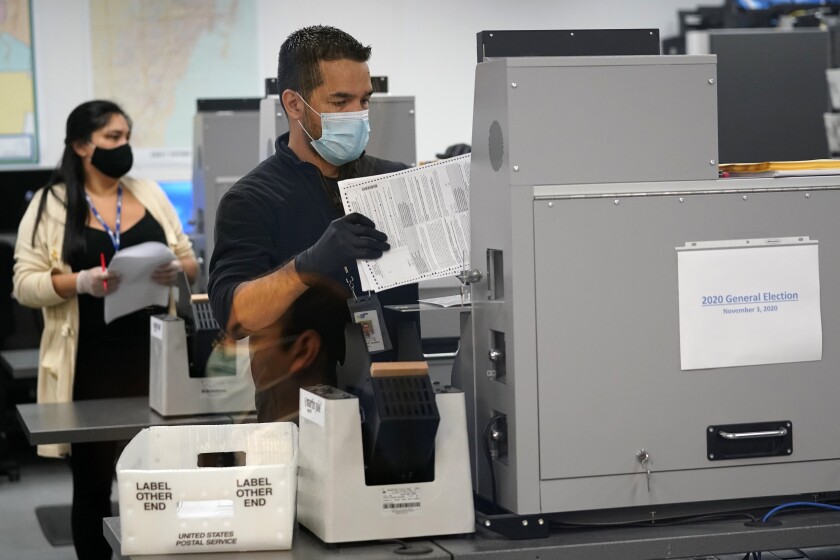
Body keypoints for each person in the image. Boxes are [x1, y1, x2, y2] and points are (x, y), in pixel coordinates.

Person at [13, 100, 198, 560]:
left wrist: (177, 269)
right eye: (113, 138)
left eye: (127, 137)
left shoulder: (149, 192)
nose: (123, 147)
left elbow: (191, 261)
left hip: (153, 359)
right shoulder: (49, 205)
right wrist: (80, 282)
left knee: (158, 481)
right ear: (81, 146)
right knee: (94, 485)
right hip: (89, 364)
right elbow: (24, 284)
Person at [208, 25, 419, 420]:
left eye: (364, 100)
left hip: (398, 402)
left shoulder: (393, 183)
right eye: (340, 101)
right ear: (294, 104)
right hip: (298, 411)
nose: (357, 114)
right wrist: (305, 267)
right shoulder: (252, 199)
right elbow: (234, 317)